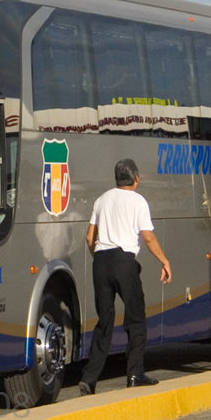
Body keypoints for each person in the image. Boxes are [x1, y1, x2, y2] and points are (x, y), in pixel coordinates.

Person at [78, 159, 172, 395]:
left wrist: (100, 257)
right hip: (124, 261)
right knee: (136, 318)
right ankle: (134, 374)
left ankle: (89, 379)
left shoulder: (101, 199)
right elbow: (148, 237)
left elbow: (90, 238)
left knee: (105, 320)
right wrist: (164, 261)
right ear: (136, 179)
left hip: (100, 260)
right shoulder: (138, 200)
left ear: (116, 178)